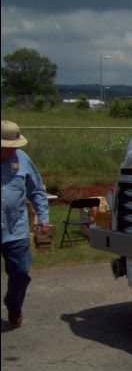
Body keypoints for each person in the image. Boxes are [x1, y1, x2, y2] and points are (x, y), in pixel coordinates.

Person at [1, 120, 52, 329]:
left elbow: (37, 189)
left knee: (21, 272)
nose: (11, 150)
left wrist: (43, 218)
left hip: (16, 229)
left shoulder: (22, 160)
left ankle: (14, 306)